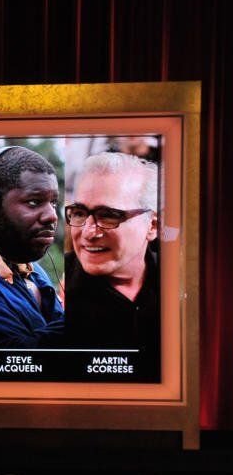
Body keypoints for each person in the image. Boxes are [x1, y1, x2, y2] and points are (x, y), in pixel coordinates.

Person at [64, 152, 159, 377]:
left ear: (152, 226)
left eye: (108, 216)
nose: (88, 232)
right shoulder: (52, 293)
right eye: (79, 213)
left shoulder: (186, 287)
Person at [0, 146, 64, 348]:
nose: (52, 216)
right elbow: (17, 359)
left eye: (54, 202)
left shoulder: (30, 267)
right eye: (34, 201)